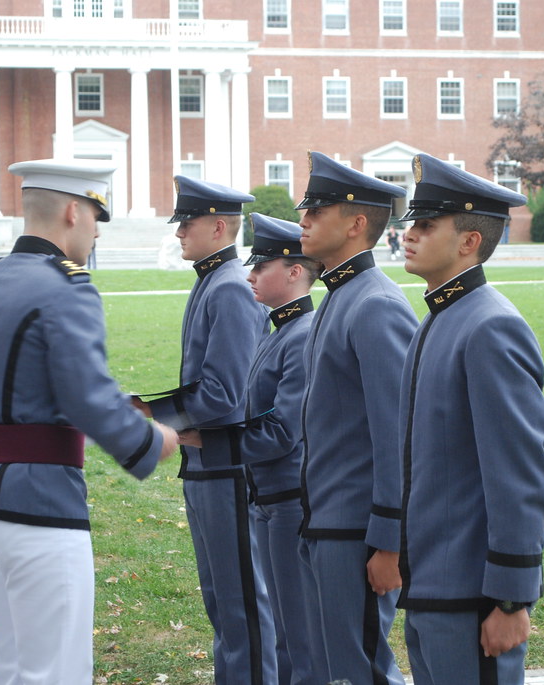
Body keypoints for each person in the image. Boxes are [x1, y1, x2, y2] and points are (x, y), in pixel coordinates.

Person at [0, 159, 179, 683]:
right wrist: (149, 440)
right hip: (40, 501)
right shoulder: (66, 285)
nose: (98, 229)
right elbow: (87, 392)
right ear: (71, 211)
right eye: (96, 215)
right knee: (55, 671)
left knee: (14, 667)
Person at [396, 153, 544, 685]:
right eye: (410, 224)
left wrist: (511, 598)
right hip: (433, 588)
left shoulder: (489, 327)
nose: (408, 235)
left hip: (472, 595)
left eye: (425, 225)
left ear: (469, 241)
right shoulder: (438, 320)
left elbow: (518, 473)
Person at [134, 176, 274, 685]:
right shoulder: (213, 280)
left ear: (219, 226)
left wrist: (151, 412)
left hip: (227, 466)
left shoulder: (230, 287)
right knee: (225, 603)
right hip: (207, 465)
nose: (179, 234)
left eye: (187, 223)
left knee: (243, 609)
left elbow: (223, 394)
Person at [179, 213, 321, 685]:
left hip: (285, 501)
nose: (251, 274)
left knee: (294, 636)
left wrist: (202, 437)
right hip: (265, 497)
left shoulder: (301, 336)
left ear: (296, 271)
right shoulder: (279, 331)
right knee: (273, 629)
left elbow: (282, 431)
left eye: (262, 267)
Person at [295, 151, 417, 685]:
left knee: (358, 671)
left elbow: (397, 434)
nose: (303, 220)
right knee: (334, 668)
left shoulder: (374, 304)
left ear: (356, 223)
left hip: (356, 532)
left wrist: (389, 541)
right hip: (327, 522)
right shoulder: (339, 298)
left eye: (316, 210)